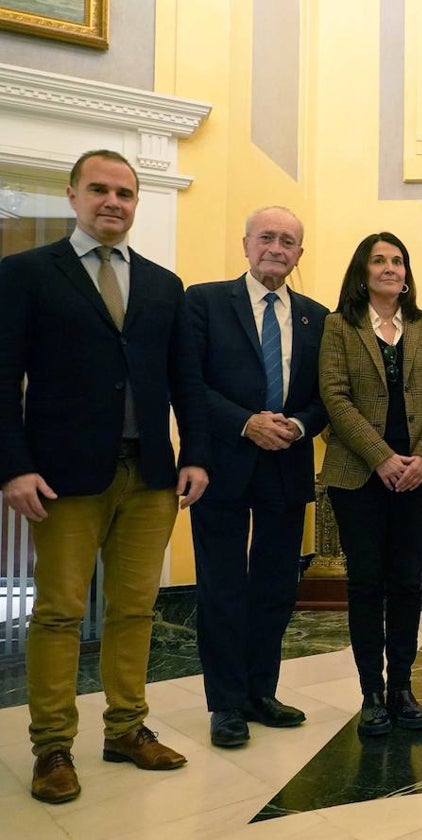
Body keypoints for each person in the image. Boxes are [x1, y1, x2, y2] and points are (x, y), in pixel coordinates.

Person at [0, 149, 209, 803]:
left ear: (136, 202)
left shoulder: (161, 285)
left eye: (125, 192)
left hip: (149, 476)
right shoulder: (27, 274)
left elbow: (184, 383)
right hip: (62, 477)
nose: (112, 201)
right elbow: (3, 380)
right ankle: (52, 747)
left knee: (136, 610)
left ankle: (126, 728)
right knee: (60, 614)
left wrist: (195, 454)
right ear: (72, 196)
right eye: (99, 189)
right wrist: (14, 467)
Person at [185, 207, 329, 748]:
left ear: (299, 254)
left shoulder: (319, 317)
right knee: (221, 587)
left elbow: (325, 398)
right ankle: (225, 705)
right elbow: (190, 383)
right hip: (221, 465)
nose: (276, 247)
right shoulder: (204, 301)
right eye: (267, 237)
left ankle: (259, 692)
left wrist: (296, 424)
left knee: (274, 587)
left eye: (288, 241)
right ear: (245, 243)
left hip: (286, 467)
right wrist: (245, 423)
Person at [319, 232, 422, 735]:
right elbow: (334, 398)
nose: (390, 268)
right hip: (359, 476)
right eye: (379, 261)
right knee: (365, 583)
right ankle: (371, 694)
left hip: (419, 476)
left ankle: (401, 686)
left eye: (397, 261)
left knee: (407, 582)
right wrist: (381, 458)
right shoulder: (339, 327)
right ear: (363, 271)